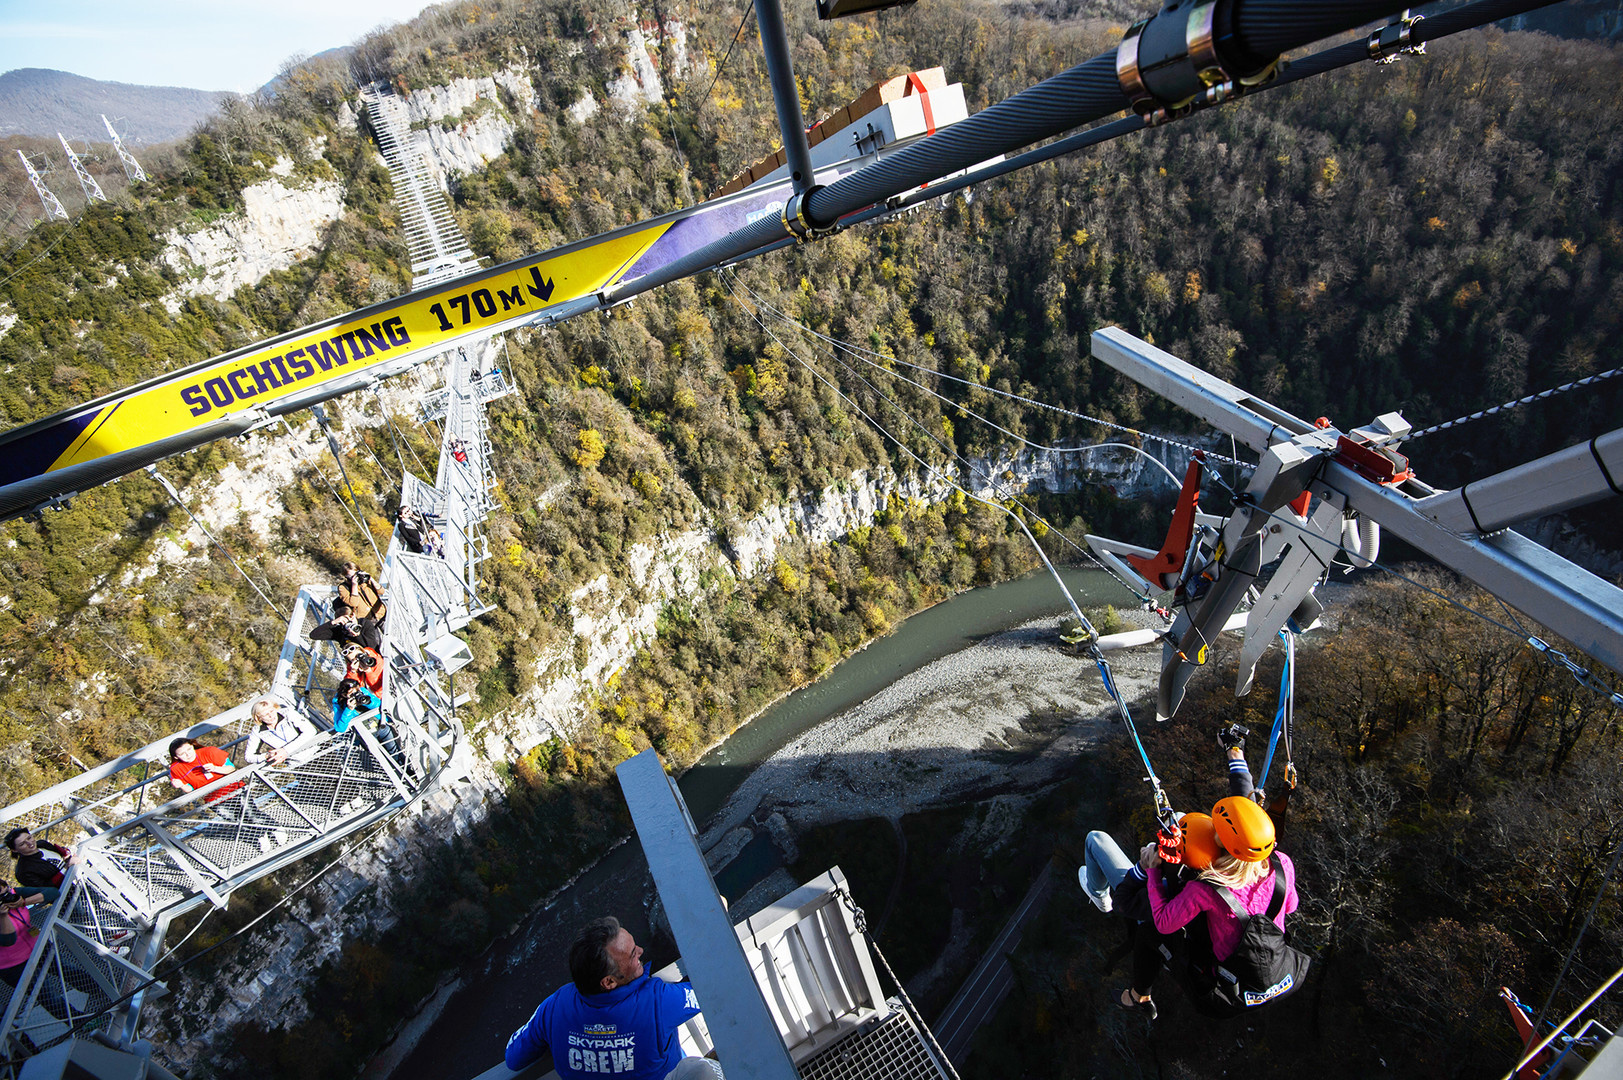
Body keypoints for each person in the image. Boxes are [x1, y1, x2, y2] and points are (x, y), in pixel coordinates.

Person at [505, 916, 721, 1080]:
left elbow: (514, 1058)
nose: (641, 952)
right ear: (609, 982)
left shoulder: (554, 1007)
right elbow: (708, 987)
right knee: (701, 1069)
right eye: (633, 955)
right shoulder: (658, 1001)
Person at [0, 889, 66, 1020]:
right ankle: (79, 1022)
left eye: (6, 891)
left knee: (68, 970)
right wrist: (3, 916)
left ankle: (100, 991)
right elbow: (8, 940)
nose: (7, 897)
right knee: (48, 995)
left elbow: (53, 892)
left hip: (38, 948)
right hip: (15, 967)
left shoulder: (13, 895)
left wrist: (24, 901)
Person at [331, 679, 403, 768]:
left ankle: (407, 771)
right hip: (366, 734)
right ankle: (395, 773)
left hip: (381, 726)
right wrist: (349, 709)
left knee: (395, 752)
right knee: (381, 758)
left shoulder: (363, 692)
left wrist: (367, 702)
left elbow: (379, 704)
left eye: (356, 691)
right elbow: (340, 728)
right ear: (344, 695)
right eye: (351, 694)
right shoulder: (339, 703)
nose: (355, 695)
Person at [4, 829, 78, 905]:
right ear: (15, 850)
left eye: (29, 838)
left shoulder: (42, 844)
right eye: (22, 844)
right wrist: (66, 867)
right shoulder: (23, 871)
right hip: (68, 898)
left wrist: (66, 855)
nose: (29, 843)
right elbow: (47, 889)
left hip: (80, 879)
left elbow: (62, 855)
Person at [243, 699, 318, 766]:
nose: (271, 716)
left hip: (316, 752)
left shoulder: (288, 713)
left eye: (272, 711)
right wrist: (269, 755)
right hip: (297, 764)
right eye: (266, 714)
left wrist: (285, 750)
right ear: (259, 718)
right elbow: (249, 757)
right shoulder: (257, 731)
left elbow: (310, 731)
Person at [308, 599, 383, 652]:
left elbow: (372, 647)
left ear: (353, 615)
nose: (348, 623)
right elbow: (314, 635)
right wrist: (332, 623)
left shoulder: (365, 624)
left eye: (349, 619)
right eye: (343, 621)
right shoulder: (340, 631)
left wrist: (357, 635)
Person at [338, 562, 388, 627]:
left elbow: (381, 591)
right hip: (365, 619)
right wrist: (354, 585)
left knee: (391, 635)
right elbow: (353, 603)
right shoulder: (343, 587)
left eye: (356, 574)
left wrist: (371, 579)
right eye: (352, 576)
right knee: (374, 637)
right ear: (346, 576)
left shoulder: (365, 581)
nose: (356, 577)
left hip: (380, 613)